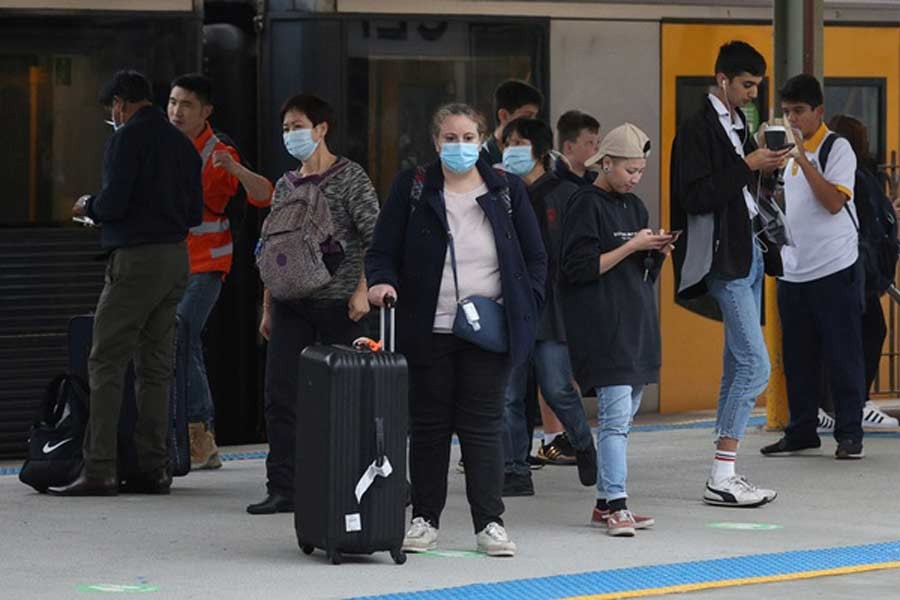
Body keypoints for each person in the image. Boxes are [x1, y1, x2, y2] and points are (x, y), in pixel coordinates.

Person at [366, 103, 546, 557]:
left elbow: (535, 256)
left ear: (483, 140)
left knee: (483, 426)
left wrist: (528, 303)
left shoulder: (505, 189)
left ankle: (490, 522)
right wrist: (381, 281)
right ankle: (424, 518)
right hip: (428, 328)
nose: (459, 146)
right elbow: (382, 250)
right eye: (450, 137)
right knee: (427, 426)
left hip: (488, 331)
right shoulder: (414, 186)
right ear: (435, 141)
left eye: (468, 138)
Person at [49, 70, 203, 496]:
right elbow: (194, 213)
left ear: (120, 103)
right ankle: (153, 468)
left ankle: (99, 467)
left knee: (107, 359)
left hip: (136, 261)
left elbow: (114, 201)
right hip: (176, 259)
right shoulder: (182, 144)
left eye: (111, 110)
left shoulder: (126, 139)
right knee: (156, 368)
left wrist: (88, 206)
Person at [670, 41, 790, 507]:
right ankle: (723, 473)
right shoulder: (697, 130)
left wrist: (767, 169)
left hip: (749, 250)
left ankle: (724, 472)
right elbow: (694, 196)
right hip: (724, 258)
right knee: (756, 365)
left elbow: (743, 190)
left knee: (737, 364)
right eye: (746, 85)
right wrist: (746, 165)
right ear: (722, 79)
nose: (751, 95)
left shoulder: (741, 124)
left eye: (757, 87)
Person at [246, 94, 380, 514]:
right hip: (290, 305)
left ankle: (366, 480)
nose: (291, 135)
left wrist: (363, 288)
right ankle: (283, 485)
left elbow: (377, 236)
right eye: (286, 128)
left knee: (354, 398)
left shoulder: (350, 177)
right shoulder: (285, 184)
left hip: (341, 305)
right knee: (281, 396)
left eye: (299, 126)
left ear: (322, 129)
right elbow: (272, 250)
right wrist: (267, 306)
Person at [560, 123, 668, 537]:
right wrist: (631, 246)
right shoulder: (584, 204)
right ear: (605, 163)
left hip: (636, 321)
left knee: (624, 416)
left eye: (640, 171)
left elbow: (639, 274)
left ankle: (605, 504)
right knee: (615, 420)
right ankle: (618, 504)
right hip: (602, 326)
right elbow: (579, 268)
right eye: (628, 170)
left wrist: (655, 252)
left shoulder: (635, 207)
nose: (635, 178)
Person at [166, 73, 274, 470]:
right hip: (171, 264)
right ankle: (192, 435)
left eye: (187, 105)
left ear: (206, 111)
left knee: (181, 334)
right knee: (180, 339)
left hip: (208, 262)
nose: (177, 111)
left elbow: (264, 194)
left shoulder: (217, 150)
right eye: (173, 102)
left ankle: (199, 432)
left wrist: (235, 167)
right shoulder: (164, 144)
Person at [759, 75, 866, 459]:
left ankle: (849, 433)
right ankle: (802, 428)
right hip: (795, 268)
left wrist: (803, 158)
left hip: (835, 268)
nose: (793, 120)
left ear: (818, 111)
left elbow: (833, 203)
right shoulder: (786, 156)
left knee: (842, 354)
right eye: (786, 113)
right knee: (797, 358)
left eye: (799, 112)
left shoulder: (837, 148)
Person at [498, 117, 597, 497]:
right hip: (511, 305)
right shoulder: (499, 193)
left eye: (519, 143)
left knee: (557, 386)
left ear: (539, 150)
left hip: (552, 307)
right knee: (510, 393)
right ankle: (515, 469)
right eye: (507, 143)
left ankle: (582, 443)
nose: (511, 150)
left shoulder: (565, 194)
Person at [821, 114, 899, 431]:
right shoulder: (855, 174)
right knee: (863, 334)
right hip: (855, 271)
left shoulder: (853, 174)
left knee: (857, 335)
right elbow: (865, 222)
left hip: (855, 269)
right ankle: (850, 404)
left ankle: (841, 404)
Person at [480, 80, 544, 167]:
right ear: (504, 116)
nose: (533, 123)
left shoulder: (537, 156)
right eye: (527, 117)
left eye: (535, 117)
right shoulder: (481, 161)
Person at [555, 110, 601, 185]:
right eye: (590, 143)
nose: (597, 149)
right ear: (569, 147)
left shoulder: (598, 182)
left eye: (598, 143)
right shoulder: (554, 187)